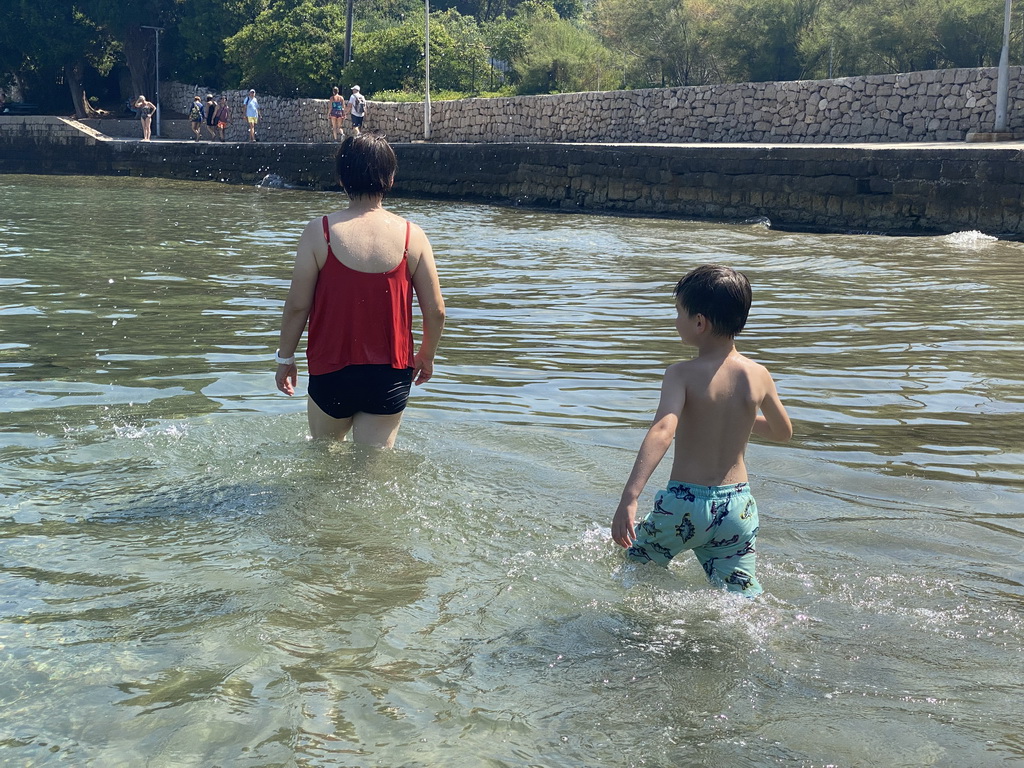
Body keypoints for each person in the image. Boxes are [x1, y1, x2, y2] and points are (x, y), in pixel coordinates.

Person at [611, 264, 792, 597]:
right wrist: (737, 418)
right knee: (740, 597)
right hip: (738, 507)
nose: (675, 321)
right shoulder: (758, 374)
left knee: (634, 565)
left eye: (678, 313)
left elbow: (664, 429)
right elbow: (783, 432)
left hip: (684, 503)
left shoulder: (681, 374)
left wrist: (630, 497)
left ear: (699, 322)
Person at [274, 132, 445, 448]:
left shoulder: (319, 233)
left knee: (323, 460)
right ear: (390, 178)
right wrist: (426, 355)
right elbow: (436, 310)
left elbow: (298, 305)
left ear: (342, 177)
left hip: (332, 369)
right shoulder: (413, 236)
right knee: (375, 473)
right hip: (390, 372)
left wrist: (285, 357)